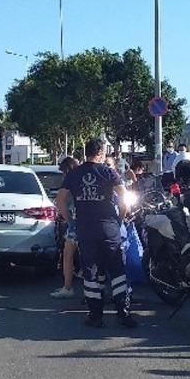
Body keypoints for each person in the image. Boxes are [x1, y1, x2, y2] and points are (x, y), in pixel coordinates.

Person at [55, 138, 136, 328]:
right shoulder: (109, 172)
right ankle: (123, 313)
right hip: (109, 228)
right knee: (117, 270)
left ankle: (95, 315)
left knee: (90, 271)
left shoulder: (74, 174)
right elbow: (125, 200)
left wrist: (71, 221)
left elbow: (60, 200)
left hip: (85, 228)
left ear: (86, 153)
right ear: (100, 153)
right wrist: (119, 219)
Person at [50, 156, 82, 299]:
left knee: (68, 255)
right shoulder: (84, 177)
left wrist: (69, 220)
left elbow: (60, 201)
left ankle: (67, 287)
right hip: (92, 221)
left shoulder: (70, 180)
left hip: (76, 222)